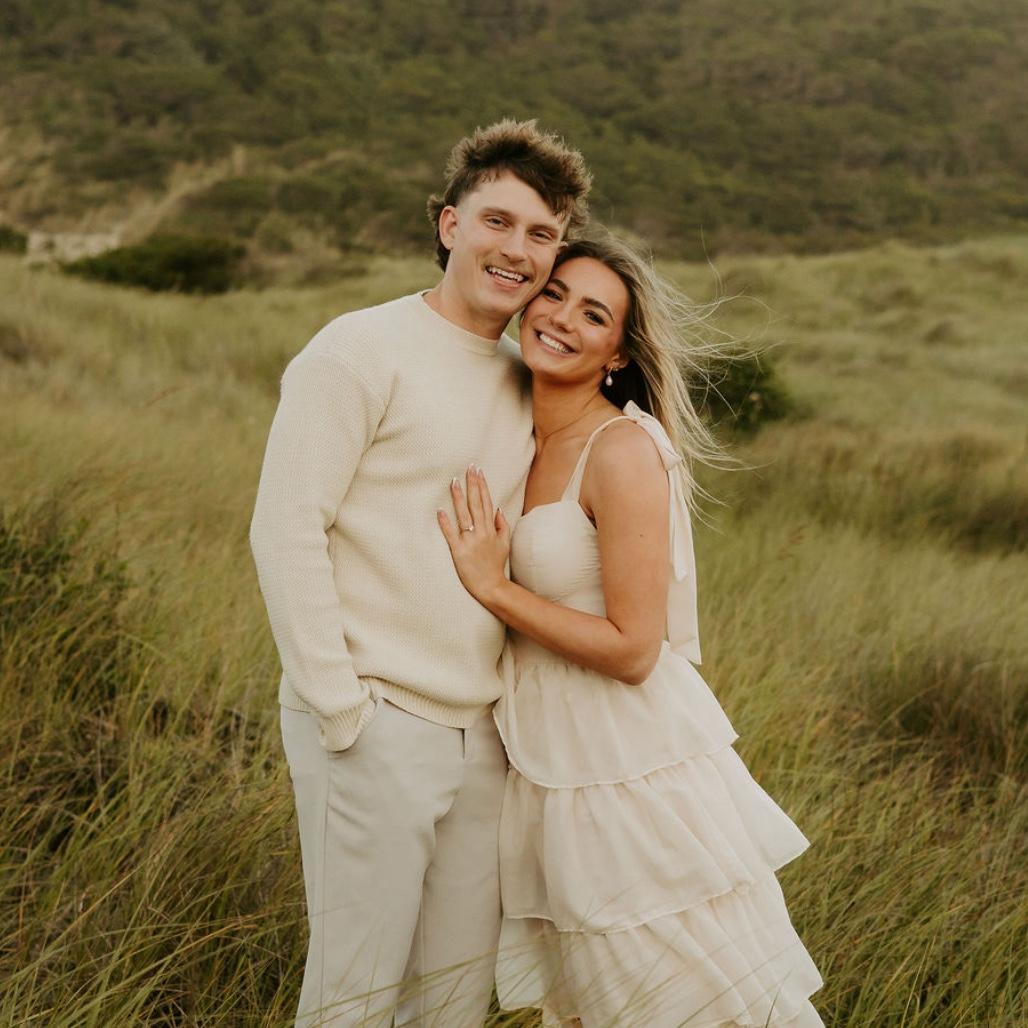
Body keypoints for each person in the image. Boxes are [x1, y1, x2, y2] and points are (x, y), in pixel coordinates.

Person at [249, 119, 591, 1027]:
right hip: (374, 718)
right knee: (354, 998)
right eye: (497, 221)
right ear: (449, 224)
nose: (517, 249)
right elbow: (285, 528)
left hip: (484, 736)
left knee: (452, 1003)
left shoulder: (525, 376)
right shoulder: (356, 350)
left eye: (542, 234)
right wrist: (341, 710)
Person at [438, 233, 824, 1027]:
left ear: (617, 353)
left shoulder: (621, 449)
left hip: (624, 767)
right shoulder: (511, 431)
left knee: (672, 999)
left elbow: (634, 649)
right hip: (547, 766)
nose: (561, 319)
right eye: (554, 295)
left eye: (593, 315)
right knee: (589, 1005)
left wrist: (493, 587)